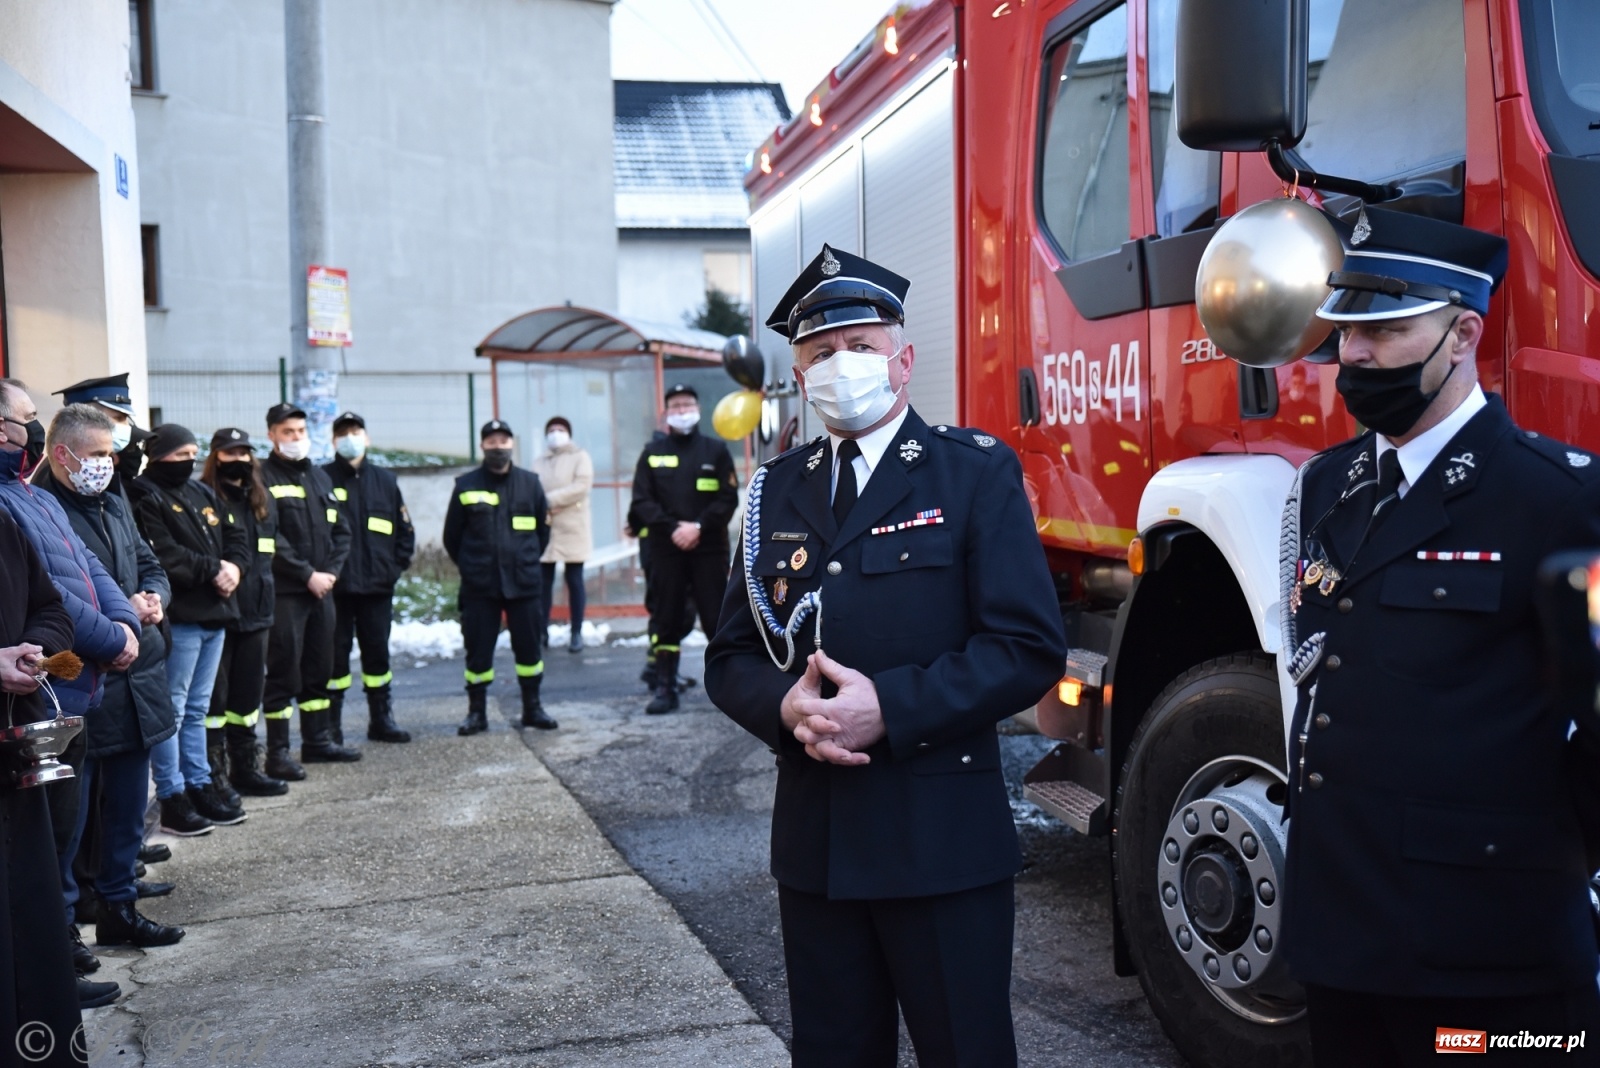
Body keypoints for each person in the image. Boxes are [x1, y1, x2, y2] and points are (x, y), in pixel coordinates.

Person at [704, 245, 1067, 1067]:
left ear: (903, 361)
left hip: (939, 842)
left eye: (861, 348)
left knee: (965, 1052)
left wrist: (889, 710)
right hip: (818, 848)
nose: (843, 367)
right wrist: (783, 707)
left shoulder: (971, 474)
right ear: (799, 376)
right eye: (822, 354)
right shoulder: (775, 488)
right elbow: (729, 658)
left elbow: (1027, 648)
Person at [1279, 208, 1600, 1065]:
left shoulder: (1556, 497)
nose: (1352, 357)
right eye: (1346, 332)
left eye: (1384, 332)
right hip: (1343, 934)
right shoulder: (1328, 485)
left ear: (1462, 335)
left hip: (1489, 955)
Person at [0, 378, 140, 1010]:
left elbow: (88, 574)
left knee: (65, 825)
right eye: (25, 420)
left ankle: (63, 952)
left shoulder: (32, 498)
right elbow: (54, 591)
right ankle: (55, 961)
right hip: (49, 689)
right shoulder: (12, 504)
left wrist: (124, 624)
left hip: (75, 685)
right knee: (47, 837)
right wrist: (108, 636)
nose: (31, 429)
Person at [35, 405, 184, 953]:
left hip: (136, 670)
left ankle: (121, 907)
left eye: (110, 455)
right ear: (62, 454)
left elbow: (149, 563)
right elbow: (57, 594)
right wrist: (121, 622)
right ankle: (68, 928)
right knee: (73, 822)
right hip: (83, 675)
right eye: (97, 455)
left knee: (126, 808)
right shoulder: (42, 507)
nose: (107, 464)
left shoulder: (112, 497)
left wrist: (154, 600)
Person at [0, 508, 107, 1041]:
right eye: (19, 421)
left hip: (13, 744)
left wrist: (33, 648)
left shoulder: (3, 520)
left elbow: (50, 603)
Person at [133, 423, 250, 832]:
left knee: (198, 709)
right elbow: (164, 554)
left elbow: (234, 533)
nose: (189, 462)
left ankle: (200, 782)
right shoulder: (145, 494)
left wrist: (234, 565)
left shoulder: (200, 492)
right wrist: (213, 568)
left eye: (192, 455)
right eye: (180, 455)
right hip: (181, 617)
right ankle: (172, 793)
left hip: (215, 613)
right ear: (159, 455)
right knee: (175, 709)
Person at [260, 402, 359, 768]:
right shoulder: (263, 477)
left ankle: (318, 741)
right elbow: (270, 538)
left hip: (323, 590)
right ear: (272, 435)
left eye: (300, 432)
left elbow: (341, 531)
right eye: (288, 432)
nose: (296, 439)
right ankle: (278, 752)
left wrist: (329, 573)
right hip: (287, 593)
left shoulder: (318, 476)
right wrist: (307, 575)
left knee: (321, 666)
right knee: (285, 670)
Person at [629, 384, 738, 715]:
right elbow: (642, 501)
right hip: (667, 549)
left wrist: (699, 527)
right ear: (666, 413)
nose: (681, 410)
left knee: (717, 617)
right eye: (675, 406)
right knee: (667, 617)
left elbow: (727, 498)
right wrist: (673, 528)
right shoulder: (652, 453)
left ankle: (732, 687)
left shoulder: (715, 451)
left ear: (698, 408)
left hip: (708, 549)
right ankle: (665, 686)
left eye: (687, 404)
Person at [443, 419, 555, 733]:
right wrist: (472, 565)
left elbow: (542, 532)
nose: (498, 447)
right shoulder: (465, 485)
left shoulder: (530, 484)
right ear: (482, 446)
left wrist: (525, 559)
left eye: (503, 441)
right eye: (491, 442)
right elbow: (452, 537)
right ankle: (476, 712)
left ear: (512, 444)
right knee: (478, 651)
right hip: (481, 585)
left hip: (524, 584)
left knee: (530, 651)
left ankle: (533, 708)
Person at [201, 427, 289, 796]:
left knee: (247, 700)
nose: (237, 460)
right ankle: (214, 773)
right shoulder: (206, 499)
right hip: (221, 613)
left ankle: (246, 767)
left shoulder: (261, 500)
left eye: (243, 453)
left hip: (258, 613)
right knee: (216, 702)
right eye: (229, 453)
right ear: (215, 457)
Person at [323, 412, 414, 743]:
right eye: (343, 433)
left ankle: (381, 719)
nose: (350, 438)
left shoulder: (386, 482)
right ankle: (331, 726)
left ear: (367, 437)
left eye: (356, 431)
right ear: (333, 440)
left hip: (377, 588)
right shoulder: (322, 479)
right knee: (335, 658)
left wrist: (392, 570)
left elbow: (405, 534)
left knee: (378, 655)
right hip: (337, 589)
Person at [532, 416, 593, 654]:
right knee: (543, 582)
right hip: (546, 526)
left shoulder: (580, 456)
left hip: (573, 526)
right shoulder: (540, 461)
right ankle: (541, 630)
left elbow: (581, 486)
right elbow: (533, 487)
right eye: (552, 429)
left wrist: (550, 500)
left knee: (575, 580)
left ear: (569, 432)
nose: (556, 433)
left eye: (560, 429)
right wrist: (542, 505)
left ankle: (576, 631)